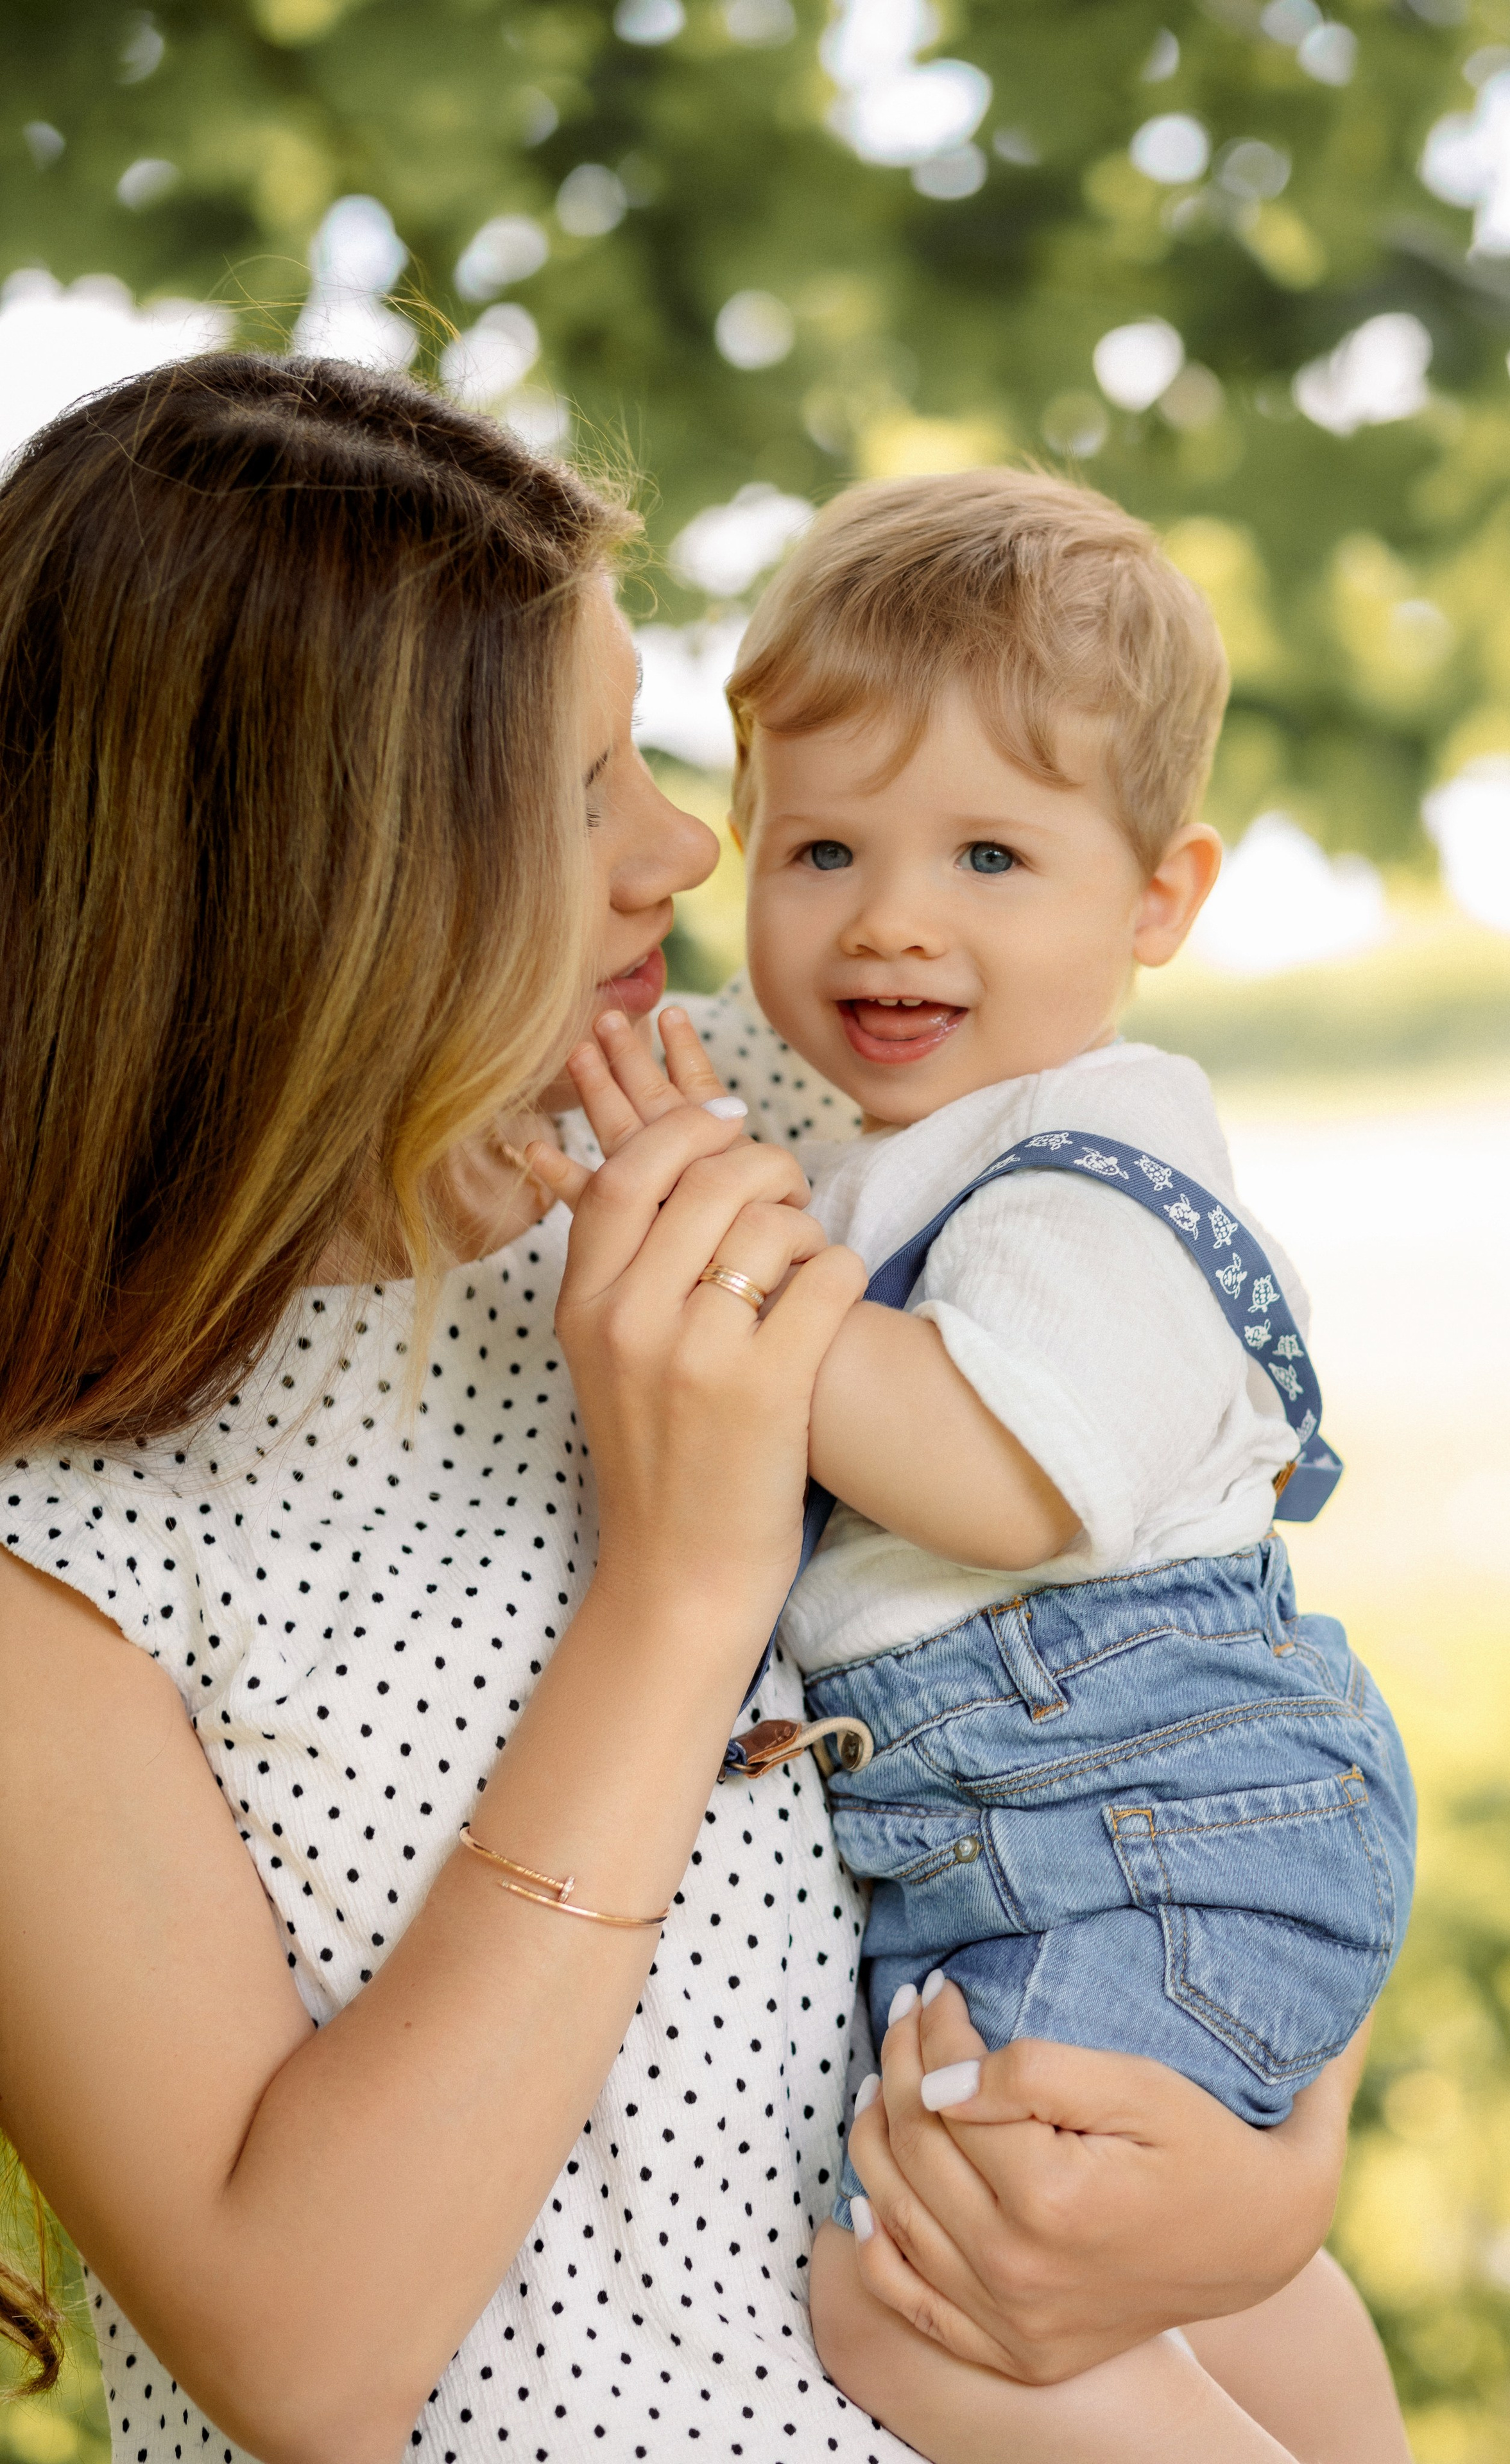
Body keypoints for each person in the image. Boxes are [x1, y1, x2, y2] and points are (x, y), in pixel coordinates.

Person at [0, 363, 1367, 2464]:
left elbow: (1186, 1637)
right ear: (323, 880)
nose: (691, 845)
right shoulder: (67, 1539)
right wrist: (689, 1579)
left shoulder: (745, 1135)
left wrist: (1267, 2174)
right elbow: (302, 2354)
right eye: (575, 790)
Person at [547, 470, 1415, 2462]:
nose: (893, 919)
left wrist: (723, 1239)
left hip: (1148, 1826)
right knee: (1196, 2268)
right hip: (1064, 1836)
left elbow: (995, 1475)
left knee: (923, 2299)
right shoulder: (877, 1137)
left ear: (1160, 900)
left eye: (993, 857)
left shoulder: (1094, 1171)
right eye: (824, 845)